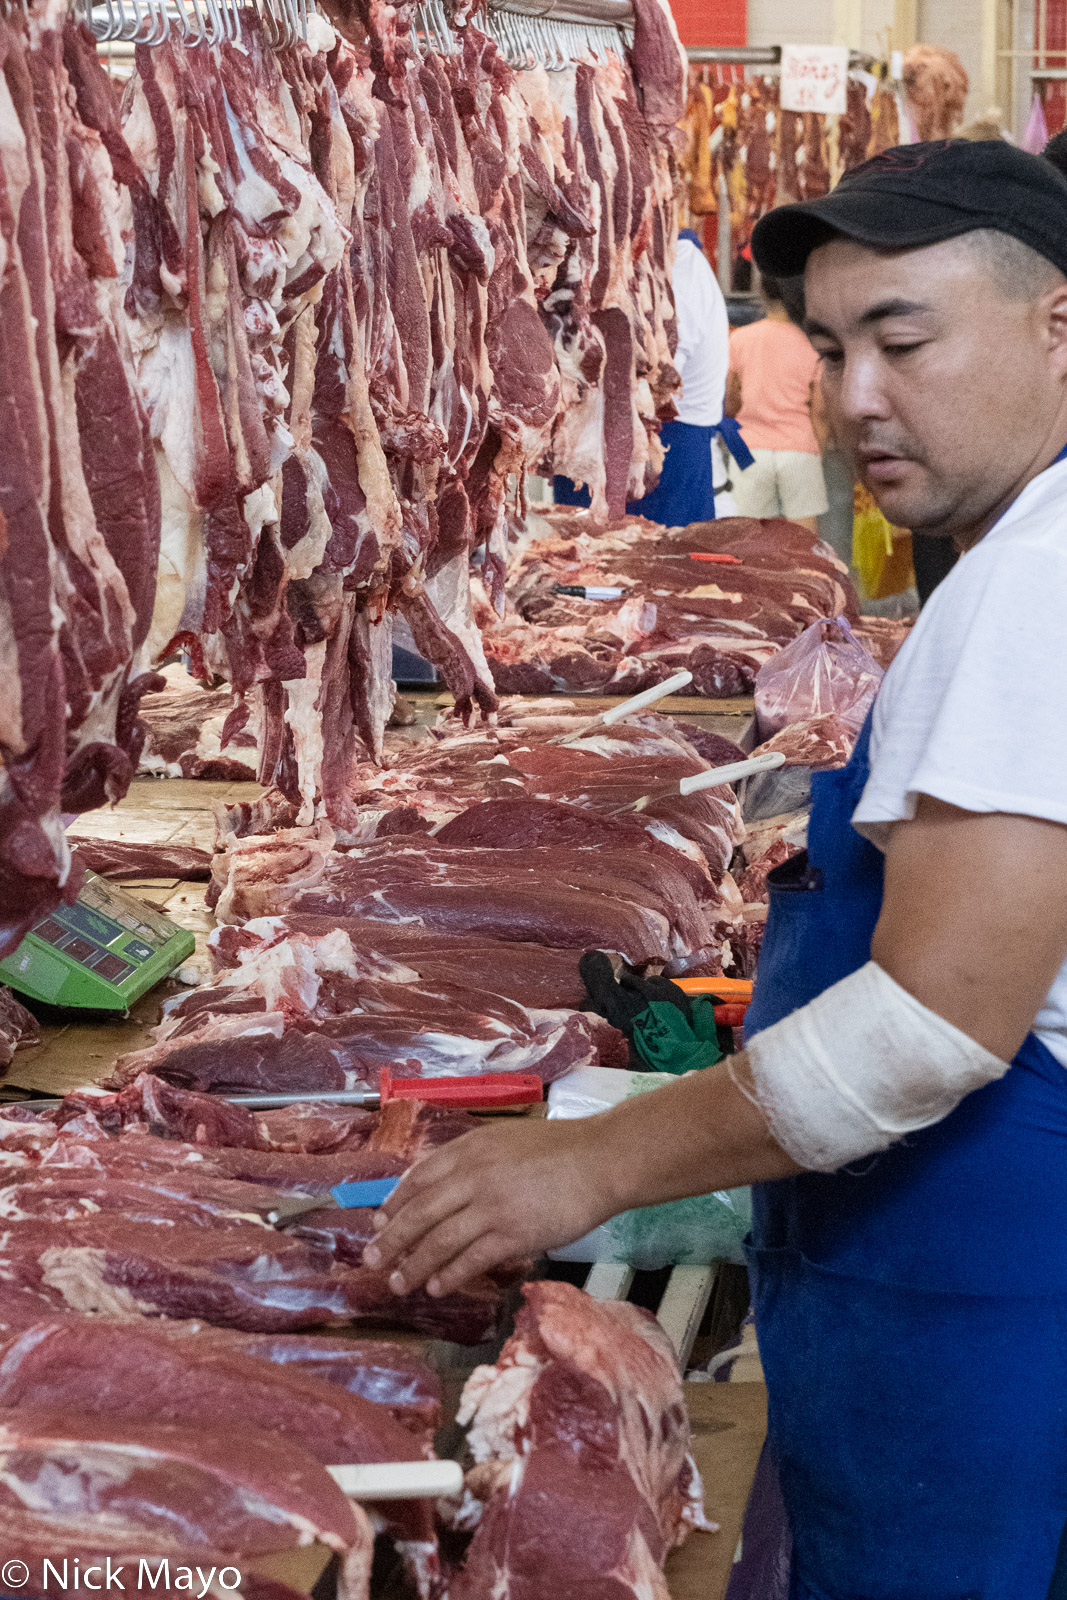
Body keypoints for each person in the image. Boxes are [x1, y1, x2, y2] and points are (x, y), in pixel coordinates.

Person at [366, 139, 1067, 1599]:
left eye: (903, 340)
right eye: (824, 346)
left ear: (1053, 325)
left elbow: (927, 1027)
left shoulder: (1034, 585)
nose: (852, 396)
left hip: (979, 1304)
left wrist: (586, 1165)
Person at [553, 229, 731, 525]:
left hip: (661, 469)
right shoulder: (616, 262)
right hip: (597, 460)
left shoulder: (680, 267)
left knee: (656, 566)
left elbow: (652, 381)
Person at [726, 274, 829, 531]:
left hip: (749, 450)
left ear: (763, 293)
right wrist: (817, 450)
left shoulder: (740, 339)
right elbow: (820, 411)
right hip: (799, 448)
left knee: (747, 536)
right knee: (804, 542)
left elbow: (729, 401)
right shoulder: (813, 344)